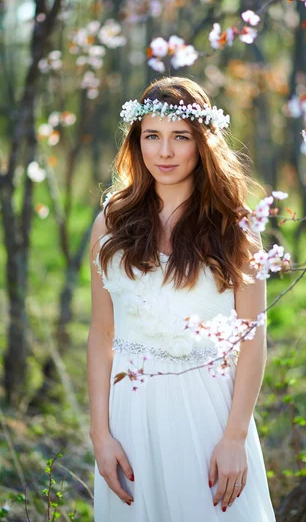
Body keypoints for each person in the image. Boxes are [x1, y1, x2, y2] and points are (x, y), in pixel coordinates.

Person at [87, 76, 276, 521]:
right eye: (152, 136)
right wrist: (101, 434)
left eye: (180, 138)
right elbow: (101, 334)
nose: (164, 152)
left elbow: (252, 341)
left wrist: (234, 438)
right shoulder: (110, 224)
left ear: (202, 143)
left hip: (209, 412)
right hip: (130, 413)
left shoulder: (236, 228)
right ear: (137, 142)